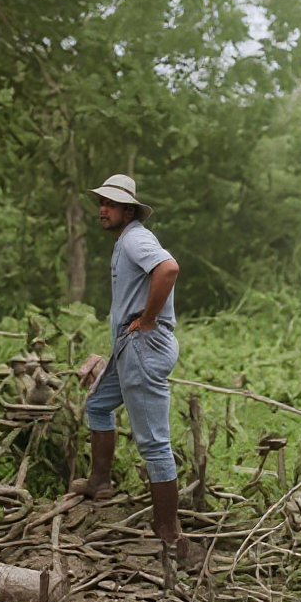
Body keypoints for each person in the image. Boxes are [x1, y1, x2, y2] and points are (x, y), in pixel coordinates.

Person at [74, 173, 191, 560]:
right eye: (101, 203)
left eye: (109, 205)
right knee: (98, 405)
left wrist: (148, 318)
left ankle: (169, 535)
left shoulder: (137, 238)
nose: (102, 210)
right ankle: (99, 482)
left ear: (128, 210)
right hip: (130, 347)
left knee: (154, 443)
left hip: (142, 345)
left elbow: (168, 269)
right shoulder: (126, 241)